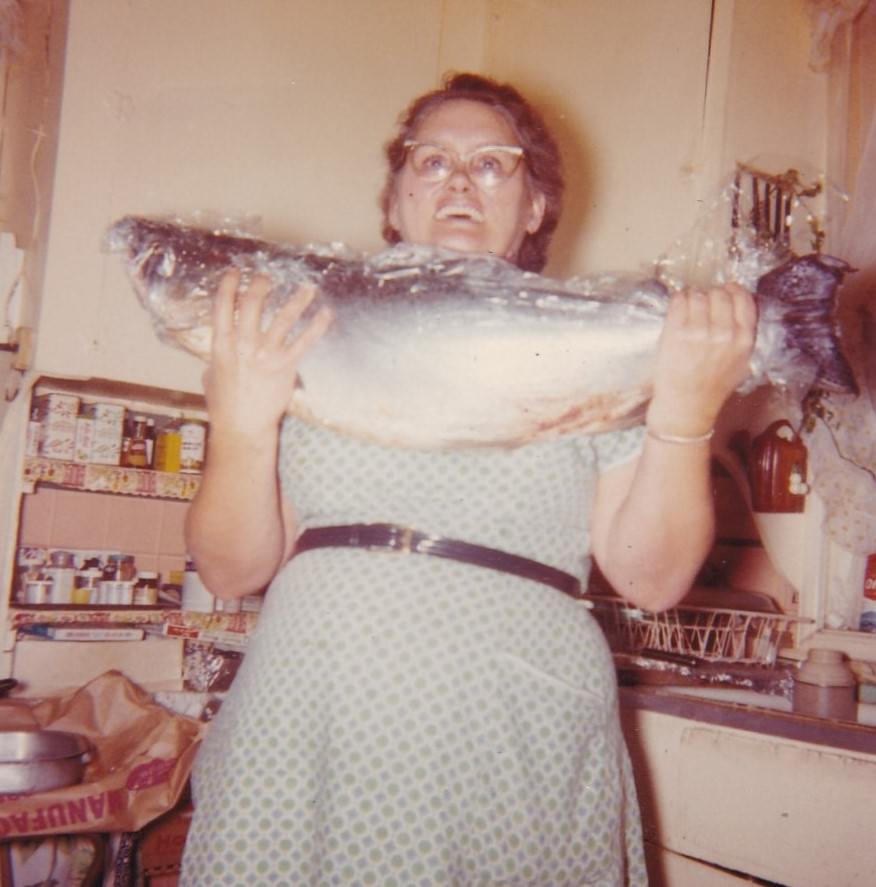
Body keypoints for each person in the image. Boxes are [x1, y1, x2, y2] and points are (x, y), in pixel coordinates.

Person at [179, 73, 756, 886]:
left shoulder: (593, 348)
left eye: (492, 164)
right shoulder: (301, 332)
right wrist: (239, 419)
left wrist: (687, 410)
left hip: (517, 728)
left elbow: (652, 577)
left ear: (535, 207)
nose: (457, 180)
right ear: (394, 195)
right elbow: (232, 570)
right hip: (310, 717)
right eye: (432, 160)